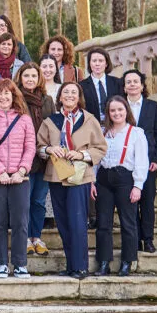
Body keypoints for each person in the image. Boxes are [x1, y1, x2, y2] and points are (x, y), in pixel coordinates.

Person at [36, 81, 107, 279]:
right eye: (65, 92)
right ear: (59, 97)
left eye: (73, 92)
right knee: (63, 222)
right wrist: (50, 149)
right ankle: (70, 265)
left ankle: (81, 267)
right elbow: (39, 146)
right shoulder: (51, 121)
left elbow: (100, 148)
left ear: (79, 97)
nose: (69, 95)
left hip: (80, 175)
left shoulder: (89, 119)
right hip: (57, 175)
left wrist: (82, 154)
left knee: (77, 221)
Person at [0, 79, 36, 279]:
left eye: (7, 93)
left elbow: (30, 146)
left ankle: (20, 263)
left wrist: (21, 170)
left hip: (20, 178)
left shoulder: (24, 119)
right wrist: (0, 171)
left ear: (14, 96)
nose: (3, 97)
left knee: (21, 221)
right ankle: (2, 264)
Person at [93, 96, 149, 277]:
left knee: (128, 222)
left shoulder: (136, 133)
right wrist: (92, 181)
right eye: (113, 110)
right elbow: (95, 160)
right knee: (103, 223)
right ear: (108, 113)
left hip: (125, 178)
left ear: (126, 111)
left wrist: (138, 186)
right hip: (103, 179)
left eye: (120, 110)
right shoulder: (102, 132)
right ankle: (103, 262)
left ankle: (127, 261)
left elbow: (142, 161)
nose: (117, 113)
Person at [14, 62, 56, 256]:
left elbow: (54, 127)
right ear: (20, 78)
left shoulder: (47, 100)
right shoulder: (16, 99)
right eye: (26, 76)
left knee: (39, 201)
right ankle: (24, 238)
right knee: (24, 201)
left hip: (44, 157)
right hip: (23, 158)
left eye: (33, 76)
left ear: (39, 78)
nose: (30, 80)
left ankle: (36, 236)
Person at [124, 69, 157, 254]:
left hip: (148, 162)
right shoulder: (119, 106)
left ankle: (148, 239)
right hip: (126, 162)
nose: (132, 84)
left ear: (142, 85)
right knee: (131, 202)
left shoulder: (153, 106)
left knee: (147, 202)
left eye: (135, 81)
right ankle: (135, 239)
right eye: (128, 82)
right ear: (124, 87)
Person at [80, 47, 122, 123]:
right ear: (89, 63)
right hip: (92, 126)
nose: (97, 64)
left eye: (101, 61)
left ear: (106, 63)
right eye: (94, 61)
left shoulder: (117, 82)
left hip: (115, 125)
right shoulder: (81, 86)